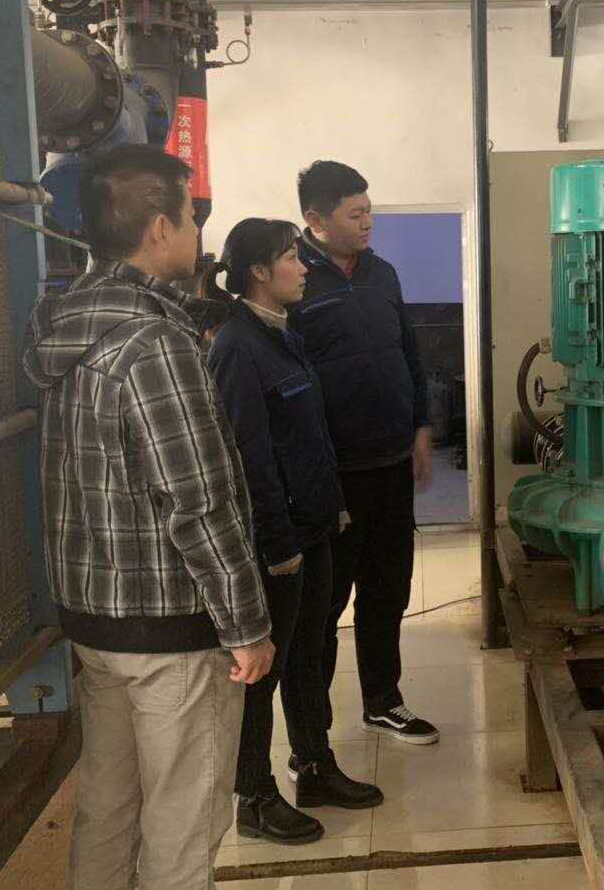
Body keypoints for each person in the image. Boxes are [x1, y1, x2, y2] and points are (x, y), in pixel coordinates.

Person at [23, 145, 276, 890]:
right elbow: (197, 498)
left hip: (96, 624)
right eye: (192, 217)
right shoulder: (153, 344)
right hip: (168, 630)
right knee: (182, 824)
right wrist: (246, 625)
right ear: (160, 228)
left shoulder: (67, 326)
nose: (198, 232)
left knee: (110, 806)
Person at [201, 218, 384, 841]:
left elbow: (308, 435)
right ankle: (253, 797)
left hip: (313, 526)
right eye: (291, 258)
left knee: (310, 655)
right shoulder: (236, 347)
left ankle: (314, 765)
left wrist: (332, 505)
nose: (304, 268)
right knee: (264, 671)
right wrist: (278, 547)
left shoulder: (282, 334)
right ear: (259, 271)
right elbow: (249, 458)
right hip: (278, 541)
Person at [291, 160, 439, 745]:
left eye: (369, 210)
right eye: (355, 214)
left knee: (388, 590)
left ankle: (383, 700)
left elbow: (408, 353)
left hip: (391, 464)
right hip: (335, 473)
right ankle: (314, 732)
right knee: (325, 604)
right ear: (316, 219)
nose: (367, 222)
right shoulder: (294, 280)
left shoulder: (382, 273)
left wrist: (420, 425)